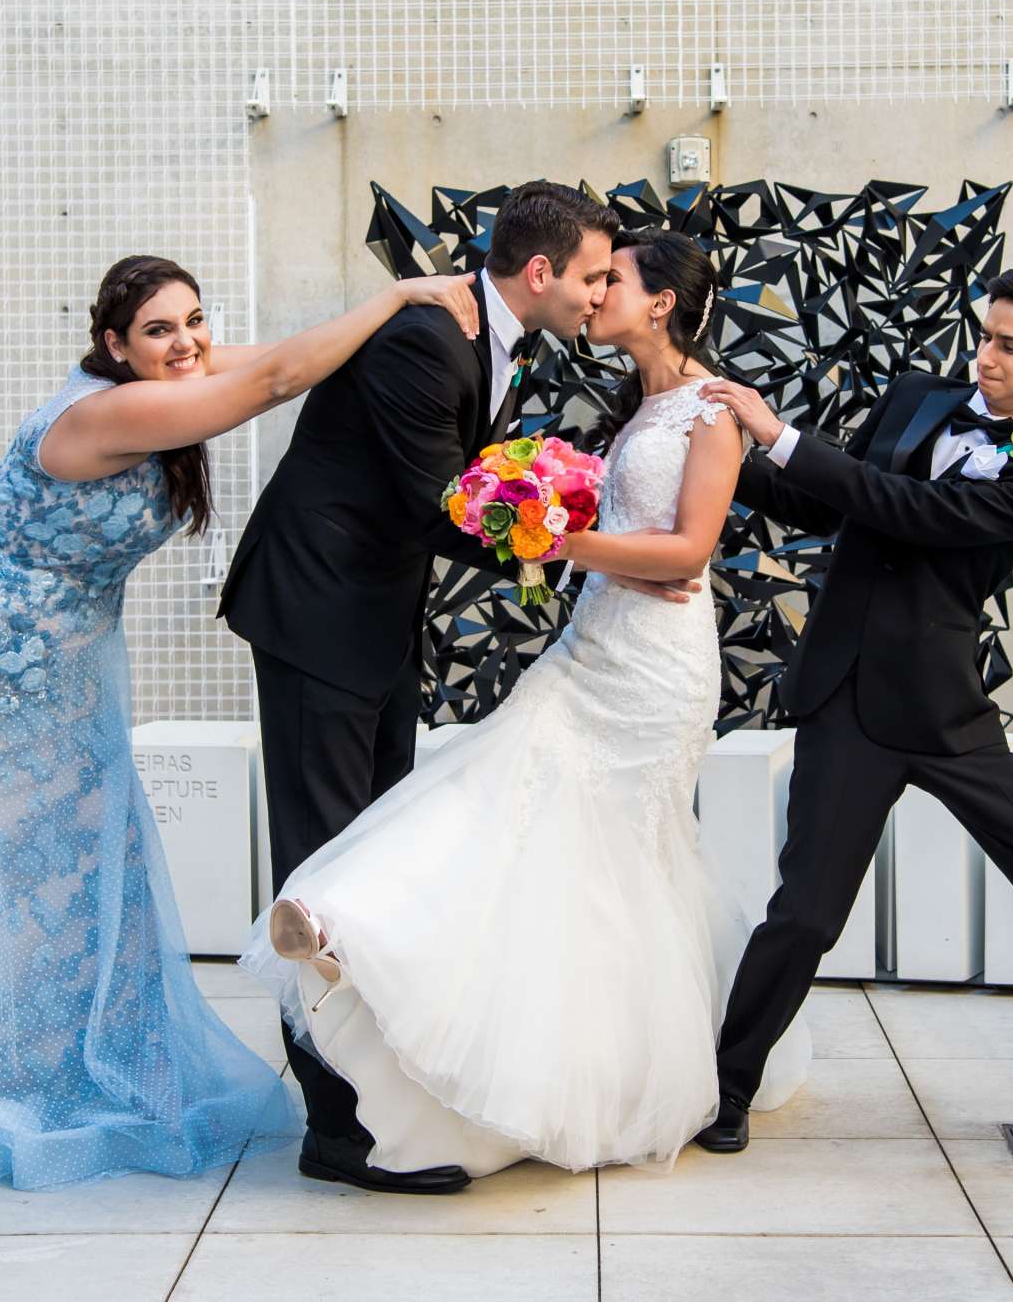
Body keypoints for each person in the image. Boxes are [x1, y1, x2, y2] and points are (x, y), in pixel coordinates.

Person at [0, 256, 479, 1190]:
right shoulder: (108, 412)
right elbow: (272, 380)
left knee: (50, 864)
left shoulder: (170, 377)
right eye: (157, 331)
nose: (185, 344)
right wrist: (396, 296)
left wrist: (373, 328)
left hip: (57, 659)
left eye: (193, 322)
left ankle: (22, 1054)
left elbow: (263, 358)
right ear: (112, 346)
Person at [241, 230, 808, 1179]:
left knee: (609, 853)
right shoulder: (633, 403)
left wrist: (555, 545)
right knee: (514, 800)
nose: (596, 297)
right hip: (576, 642)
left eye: (613, 281)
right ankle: (353, 956)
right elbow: (466, 499)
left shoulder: (707, 410)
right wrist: (544, 524)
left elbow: (687, 553)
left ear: (661, 301)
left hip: (653, 663)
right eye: (592, 277)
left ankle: (387, 969)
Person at [694, 260, 1013, 1173]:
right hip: (848, 699)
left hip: (946, 712)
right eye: (985, 335)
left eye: (1010, 348)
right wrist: (724, 442)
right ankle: (727, 1089)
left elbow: (913, 512)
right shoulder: (915, 398)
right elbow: (828, 495)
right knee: (807, 915)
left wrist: (784, 436)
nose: (985, 359)